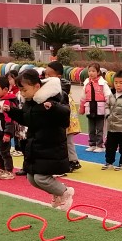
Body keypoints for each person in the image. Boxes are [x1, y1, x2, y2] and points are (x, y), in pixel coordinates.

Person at [12, 71, 75, 210]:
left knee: (41, 178)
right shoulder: (31, 102)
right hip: (36, 146)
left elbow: (65, 116)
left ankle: (65, 192)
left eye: (24, 90)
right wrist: (11, 111)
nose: (22, 93)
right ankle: (57, 193)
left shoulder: (53, 97)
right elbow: (26, 119)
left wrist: (53, 107)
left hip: (51, 146)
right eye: (20, 90)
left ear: (36, 86)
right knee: (31, 178)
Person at [44, 61, 81, 172]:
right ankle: (67, 161)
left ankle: (73, 161)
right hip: (60, 119)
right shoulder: (50, 85)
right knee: (62, 141)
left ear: (58, 76)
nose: (47, 77)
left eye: (49, 75)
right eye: (46, 74)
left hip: (66, 119)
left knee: (67, 141)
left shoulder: (62, 87)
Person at [79, 63, 110, 152]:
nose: (91, 73)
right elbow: (83, 97)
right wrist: (82, 109)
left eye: (93, 71)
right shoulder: (86, 83)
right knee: (91, 129)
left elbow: (108, 96)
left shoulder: (103, 83)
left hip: (100, 109)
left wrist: (109, 109)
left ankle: (100, 145)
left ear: (98, 72)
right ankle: (92, 144)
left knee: (100, 128)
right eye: (89, 71)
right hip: (90, 108)